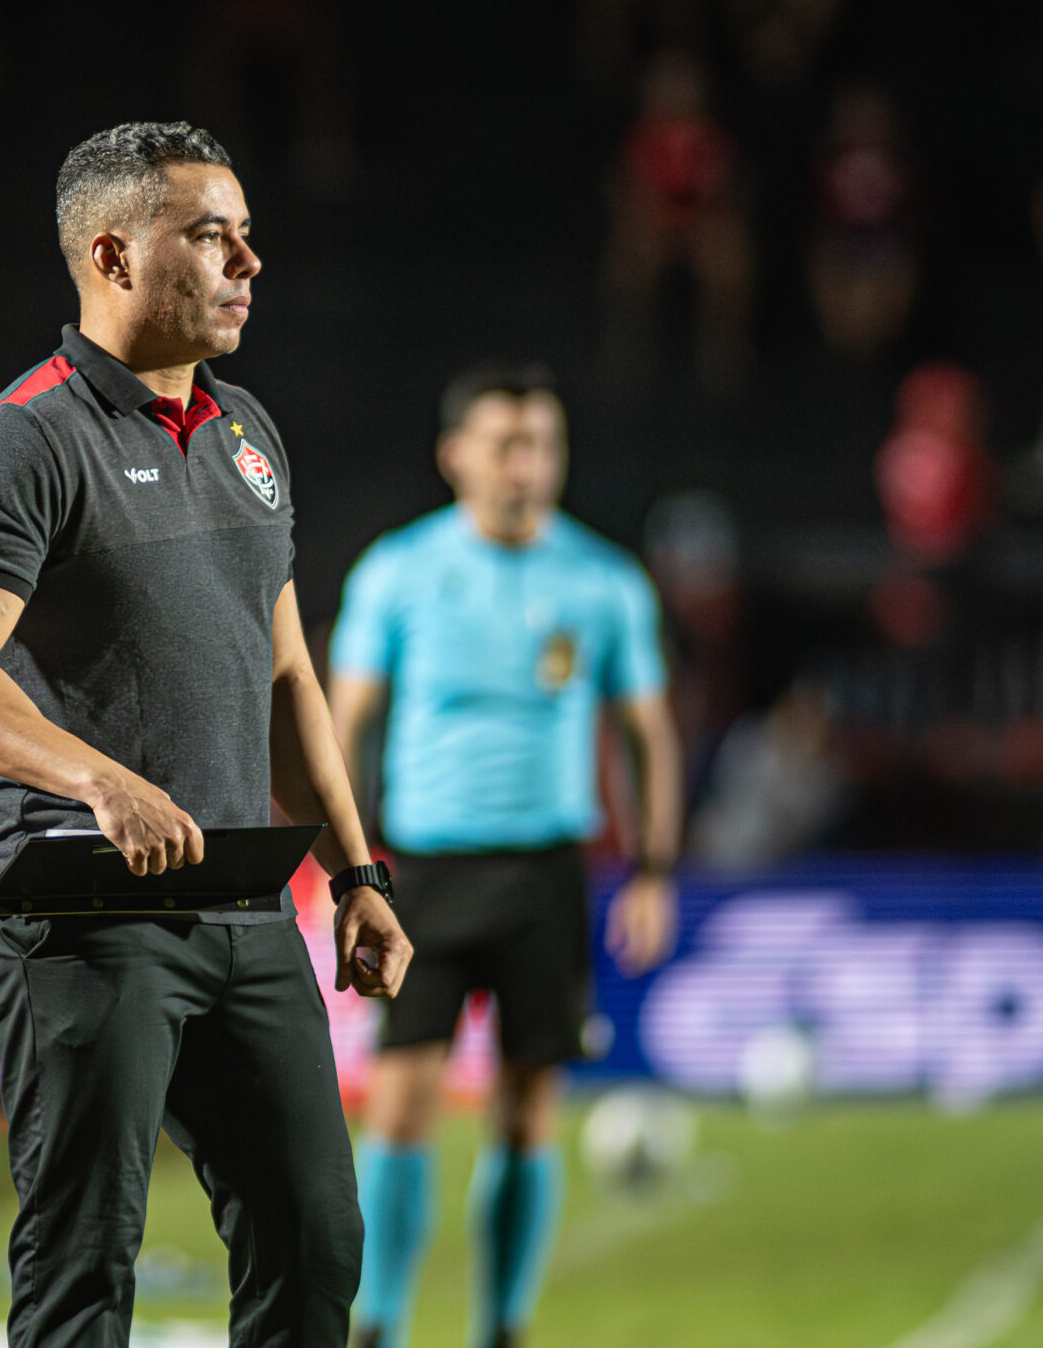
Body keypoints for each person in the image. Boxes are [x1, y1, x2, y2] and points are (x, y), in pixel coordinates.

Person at [0, 120, 412, 1348]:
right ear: (116, 255)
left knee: (315, 1237)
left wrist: (355, 874)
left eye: (245, 235)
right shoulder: (22, 440)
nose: (247, 262)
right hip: (78, 909)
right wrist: (98, 782)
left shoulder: (248, 436)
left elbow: (287, 672)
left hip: (243, 903)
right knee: (84, 1266)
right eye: (210, 236)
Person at [329, 364, 683, 1348]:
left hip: (544, 874)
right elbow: (342, 722)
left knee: (527, 1107)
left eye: (542, 447)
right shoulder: (396, 573)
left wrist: (651, 870)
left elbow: (648, 731)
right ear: (454, 457)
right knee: (399, 1103)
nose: (526, 467)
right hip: (426, 875)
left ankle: (503, 1328)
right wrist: (348, 870)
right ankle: (379, 1326)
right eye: (506, 446)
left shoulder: (602, 581)